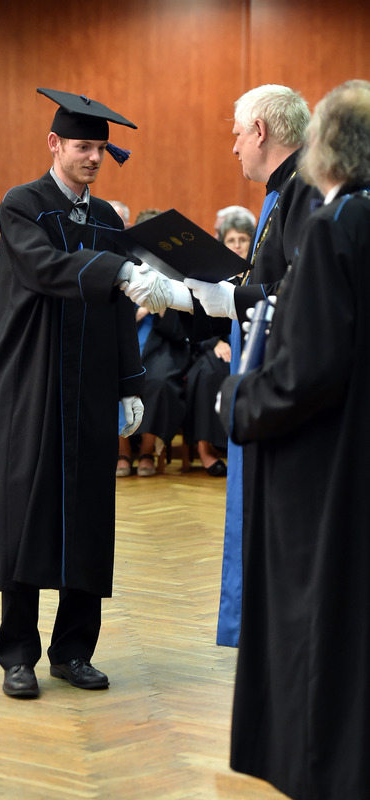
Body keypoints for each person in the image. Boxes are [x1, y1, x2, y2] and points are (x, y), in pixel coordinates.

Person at [0, 88, 169, 699]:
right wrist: (118, 270)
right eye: (83, 147)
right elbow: (44, 268)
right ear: (54, 144)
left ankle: (74, 651)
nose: (93, 158)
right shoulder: (22, 205)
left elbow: (120, 309)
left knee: (89, 515)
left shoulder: (107, 218)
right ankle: (18, 655)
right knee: (24, 512)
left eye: (100, 149)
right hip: (31, 381)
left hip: (92, 384)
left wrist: (130, 384)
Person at [126, 84, 322, 646]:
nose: (233, 147)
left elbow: (302, 291)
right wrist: (186, 295)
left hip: (285, 376)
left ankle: (280, 633)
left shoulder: (304, 189)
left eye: (237, 135)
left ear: (260, 131)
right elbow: (264, 282)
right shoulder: (283, 190)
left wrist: (226, 298)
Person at [218, 79, 370, 800]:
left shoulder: (335, 227)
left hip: (324, 460)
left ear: (323, 150)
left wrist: (237, 400)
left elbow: (305, 370)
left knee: (316, 620)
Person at [116, 209, 191, 478]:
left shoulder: (177, 268)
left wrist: (160, 306)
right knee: (113, 375)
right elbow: (112, 309)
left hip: (164, 343)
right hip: (127, 340)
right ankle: (123, 450)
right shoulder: (126, 264)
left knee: (159, 381)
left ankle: (148, 450)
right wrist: (135, 313)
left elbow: (183, 326)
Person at [182, 210, 254, 476]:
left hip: (250, 344)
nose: (237, 245)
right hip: (216, 345)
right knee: (207, 371)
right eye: (231, 240)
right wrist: (215, 344)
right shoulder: (215, 274)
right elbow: (201, 313)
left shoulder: (258, 273)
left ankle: (240, 447)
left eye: (243, 239)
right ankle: (205, 449)